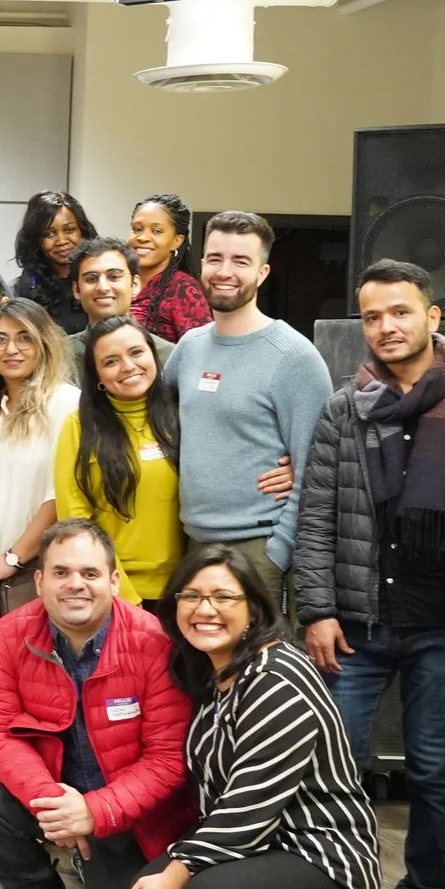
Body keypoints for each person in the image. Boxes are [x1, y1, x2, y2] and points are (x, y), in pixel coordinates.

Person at [294, 259, 445, 889]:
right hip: (356, 624)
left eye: (400, 311)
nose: (387, 327)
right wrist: (316, 607)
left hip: (444, 623)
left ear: (432, 317)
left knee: (435, 770)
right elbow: (316, 515)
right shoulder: (346, 406)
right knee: (335, 766)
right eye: (373, 316)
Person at [125, 546, 381, 889]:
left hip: (322, 862)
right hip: (257, 852)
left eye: (224, 596)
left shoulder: (279, 678)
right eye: (192, 596)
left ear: (255, 609)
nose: (205, 609)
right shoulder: (216, 668)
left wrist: (175, 878)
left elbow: (246, 812)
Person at [0, 520, 197, 889]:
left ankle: (129, 885)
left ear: (113, 580)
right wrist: (54, 804)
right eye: (62, 572)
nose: (75, 585)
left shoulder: (153, 642)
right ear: (40, 580)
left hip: (134, 817)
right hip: (58, 795)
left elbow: (169, 759)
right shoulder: (8, 635)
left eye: (90, 573)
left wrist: (97, 811)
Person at [164, 211, 332, 610]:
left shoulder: (294, 357)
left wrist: (280, 551)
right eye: (215, 258)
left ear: (263, 272)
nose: (225, 271)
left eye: (241, 261)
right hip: (192, 542)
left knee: (255, 669)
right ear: (201, 264)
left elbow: (318, 470)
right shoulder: (188, 347)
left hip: (258, 547)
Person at [0, 297, 81, 648]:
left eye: (24, 337)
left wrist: (12, 558)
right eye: (0, 338)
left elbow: (59, 495)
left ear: (43, 342)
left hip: (40, 575)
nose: (11, 349)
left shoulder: (66, 404)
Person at [55, 316, 185, 606]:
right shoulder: (78, 427)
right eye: (111, 362)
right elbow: (76, 521)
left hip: (185, 591)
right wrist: (125, 598)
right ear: (97, 376)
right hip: (113, 593)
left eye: (136, 352)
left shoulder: (181, 417)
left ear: (153, 354)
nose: (128, 366)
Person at [61, 237, 171, 386]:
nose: (103, 287)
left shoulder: (167, 355)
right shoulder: (59, 356)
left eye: (114, 277)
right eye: (91, 279)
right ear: (76, 290)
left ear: (135, 284)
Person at [127, 191, 211, 344]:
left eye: (156, 231)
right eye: (137, 229)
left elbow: (201, 351)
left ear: (176, 241)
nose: (142, 237)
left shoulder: (183, 288)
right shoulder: (118, 280)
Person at [11, 190, 97, 334]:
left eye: (69, 230)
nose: (61, 241)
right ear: (36, 240)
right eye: (49, 234)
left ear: (82, 231)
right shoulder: (20, 291)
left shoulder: (100, 282)